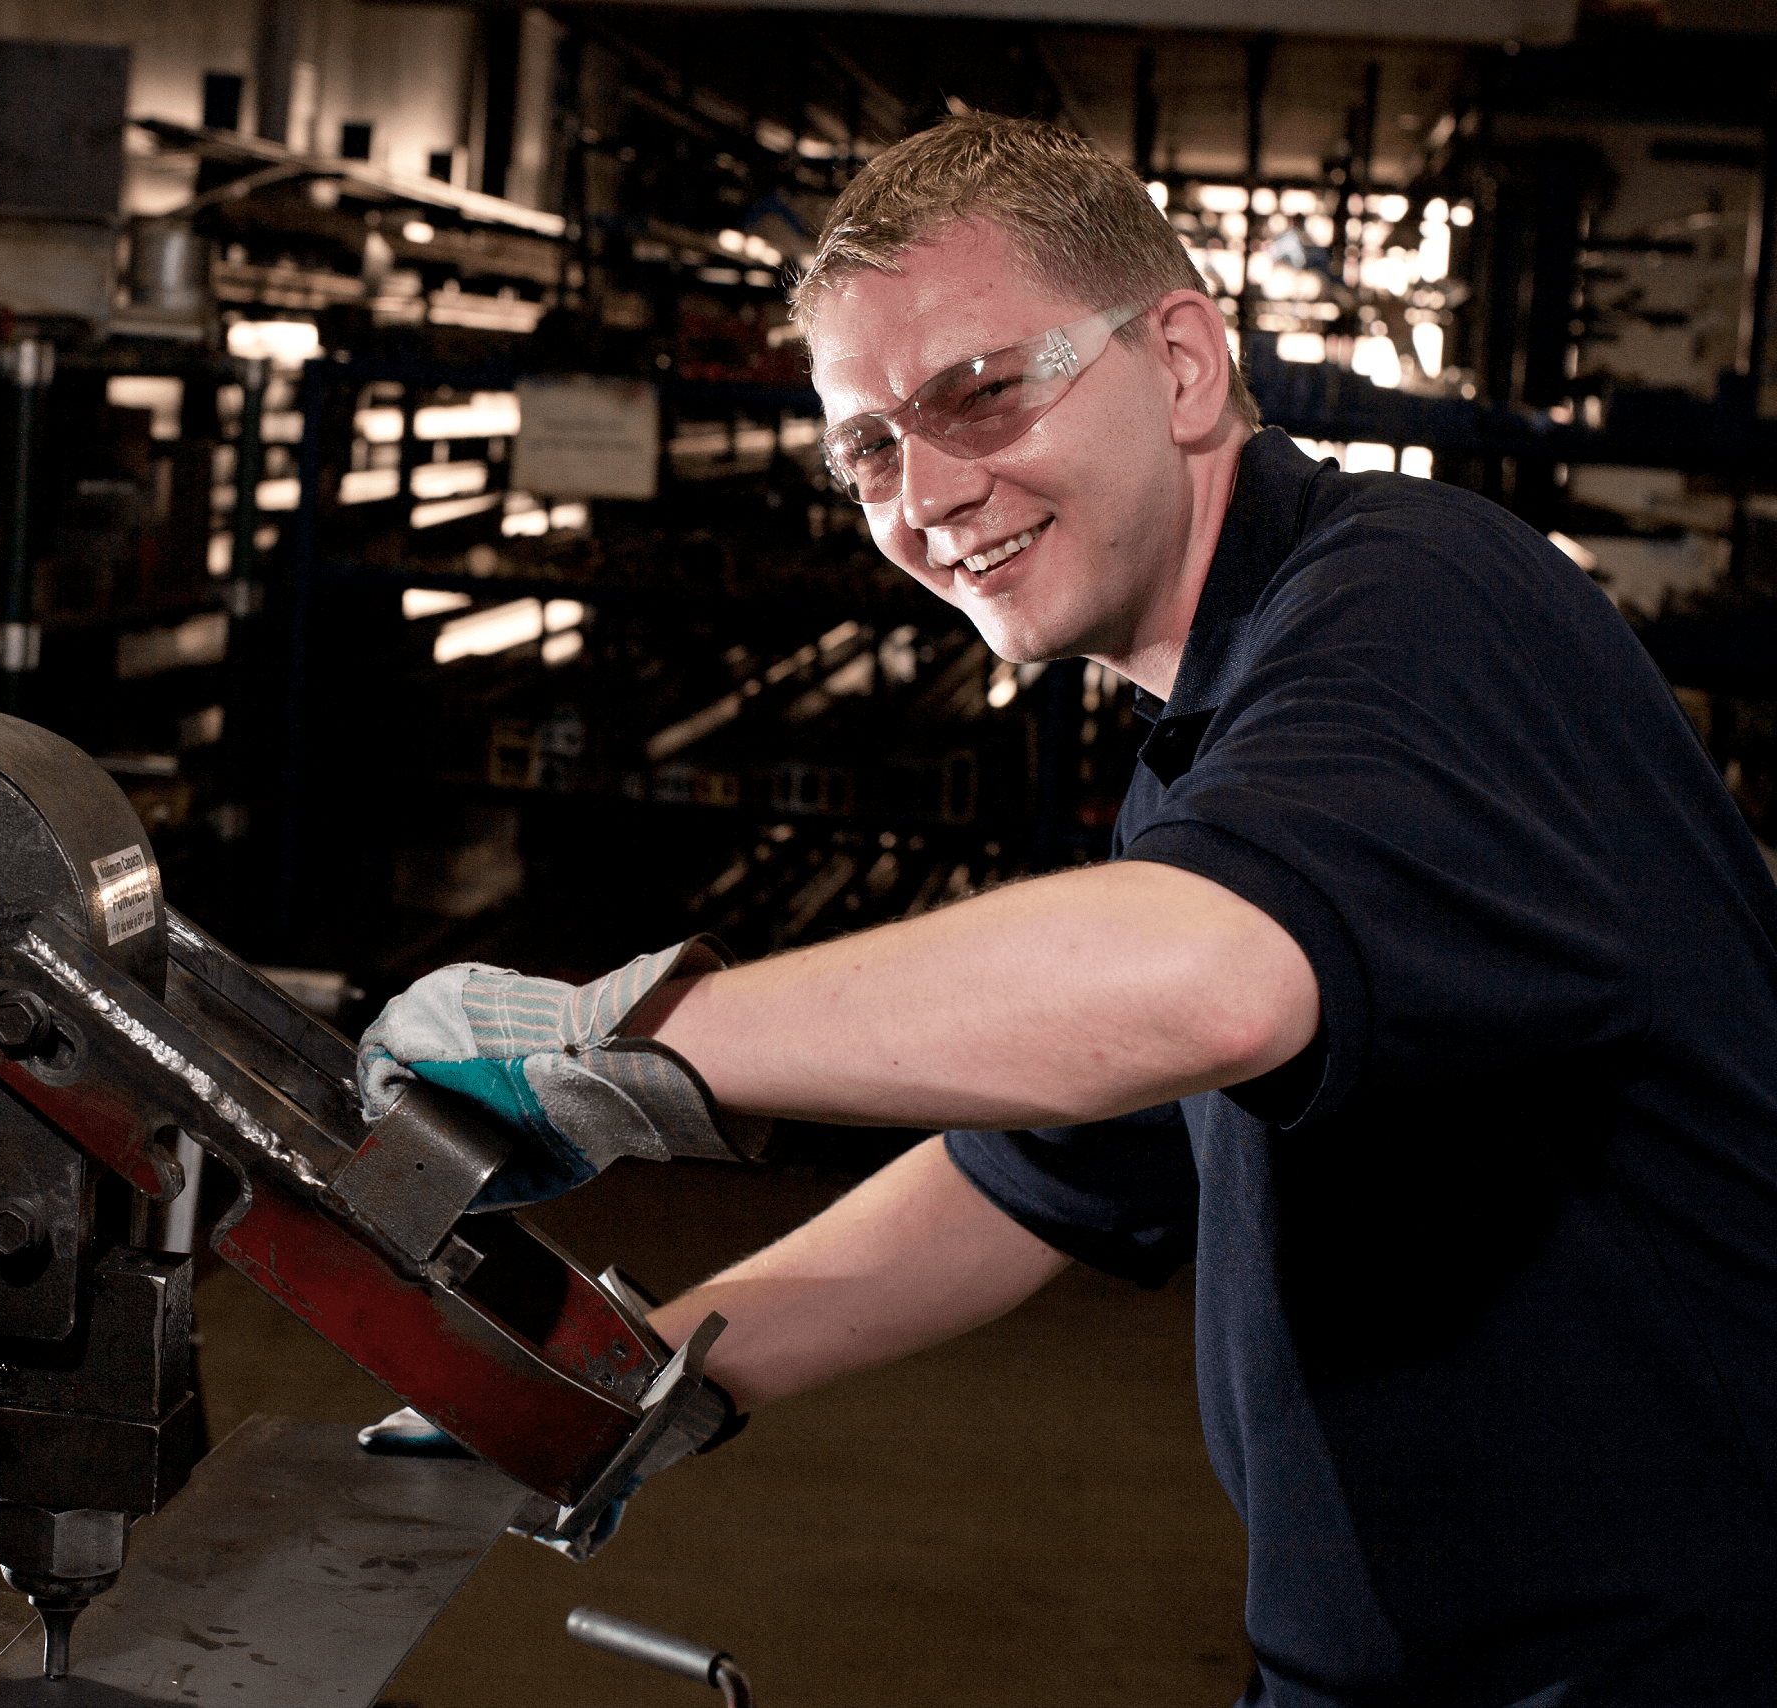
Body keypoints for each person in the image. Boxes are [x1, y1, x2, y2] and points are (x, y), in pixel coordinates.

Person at [359, 115, 1777, 1704]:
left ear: (1180, 365)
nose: (929, 493)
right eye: (870, 448)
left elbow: (1203, 991)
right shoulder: (1211, 750)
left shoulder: (1416, 600)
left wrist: (615, 1041)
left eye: (981, 391)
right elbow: (1033, 1178)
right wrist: (619, 1382)